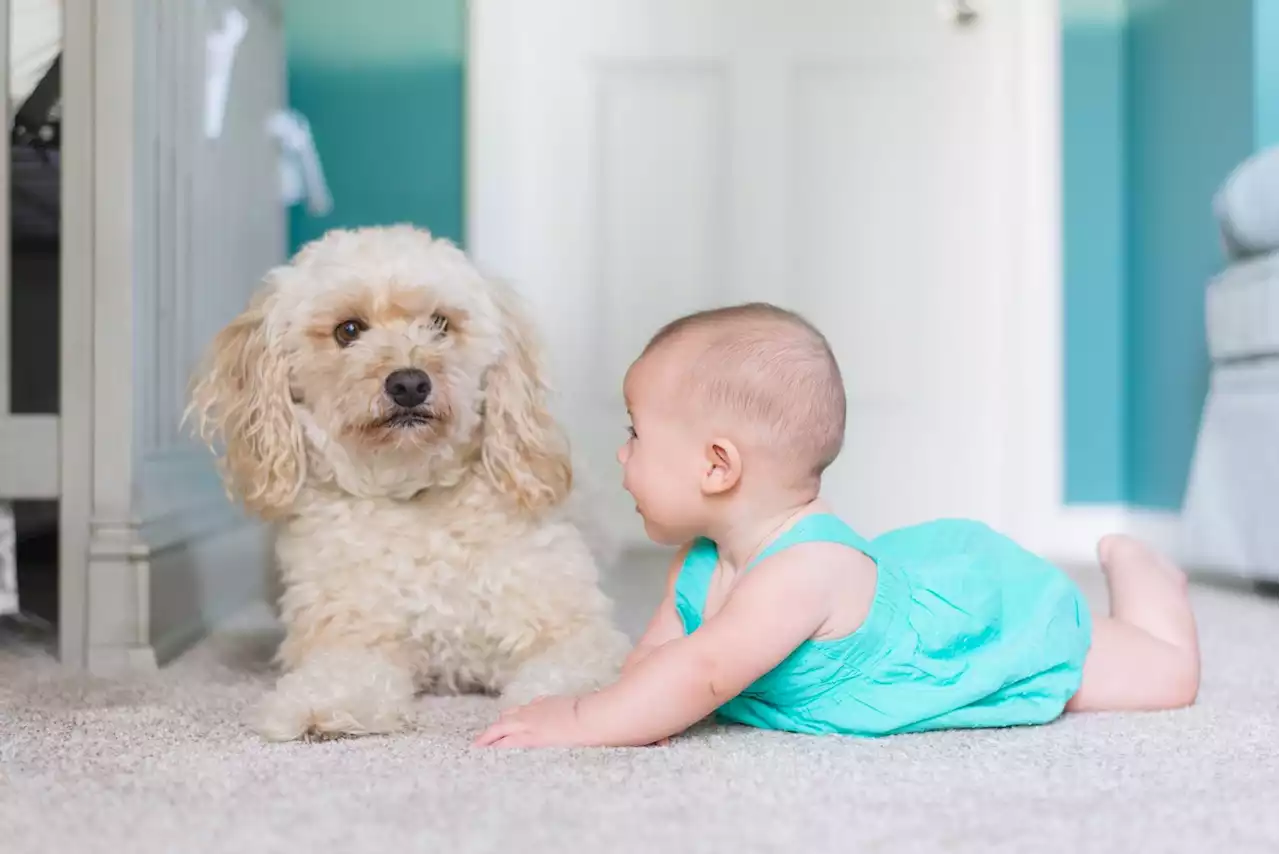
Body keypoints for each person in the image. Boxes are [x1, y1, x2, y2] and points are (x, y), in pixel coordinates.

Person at [474, 303, 1201, 748]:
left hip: (968, 629)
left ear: (717, 466)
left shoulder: (800, 574)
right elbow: (660, 664)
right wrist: (631, 708)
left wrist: (580, 720)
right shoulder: (700, 562)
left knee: (1164, 678)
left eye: (637, 435)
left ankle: (1145, 577)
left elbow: (701, 672)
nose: (622, 454)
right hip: (893, 587)